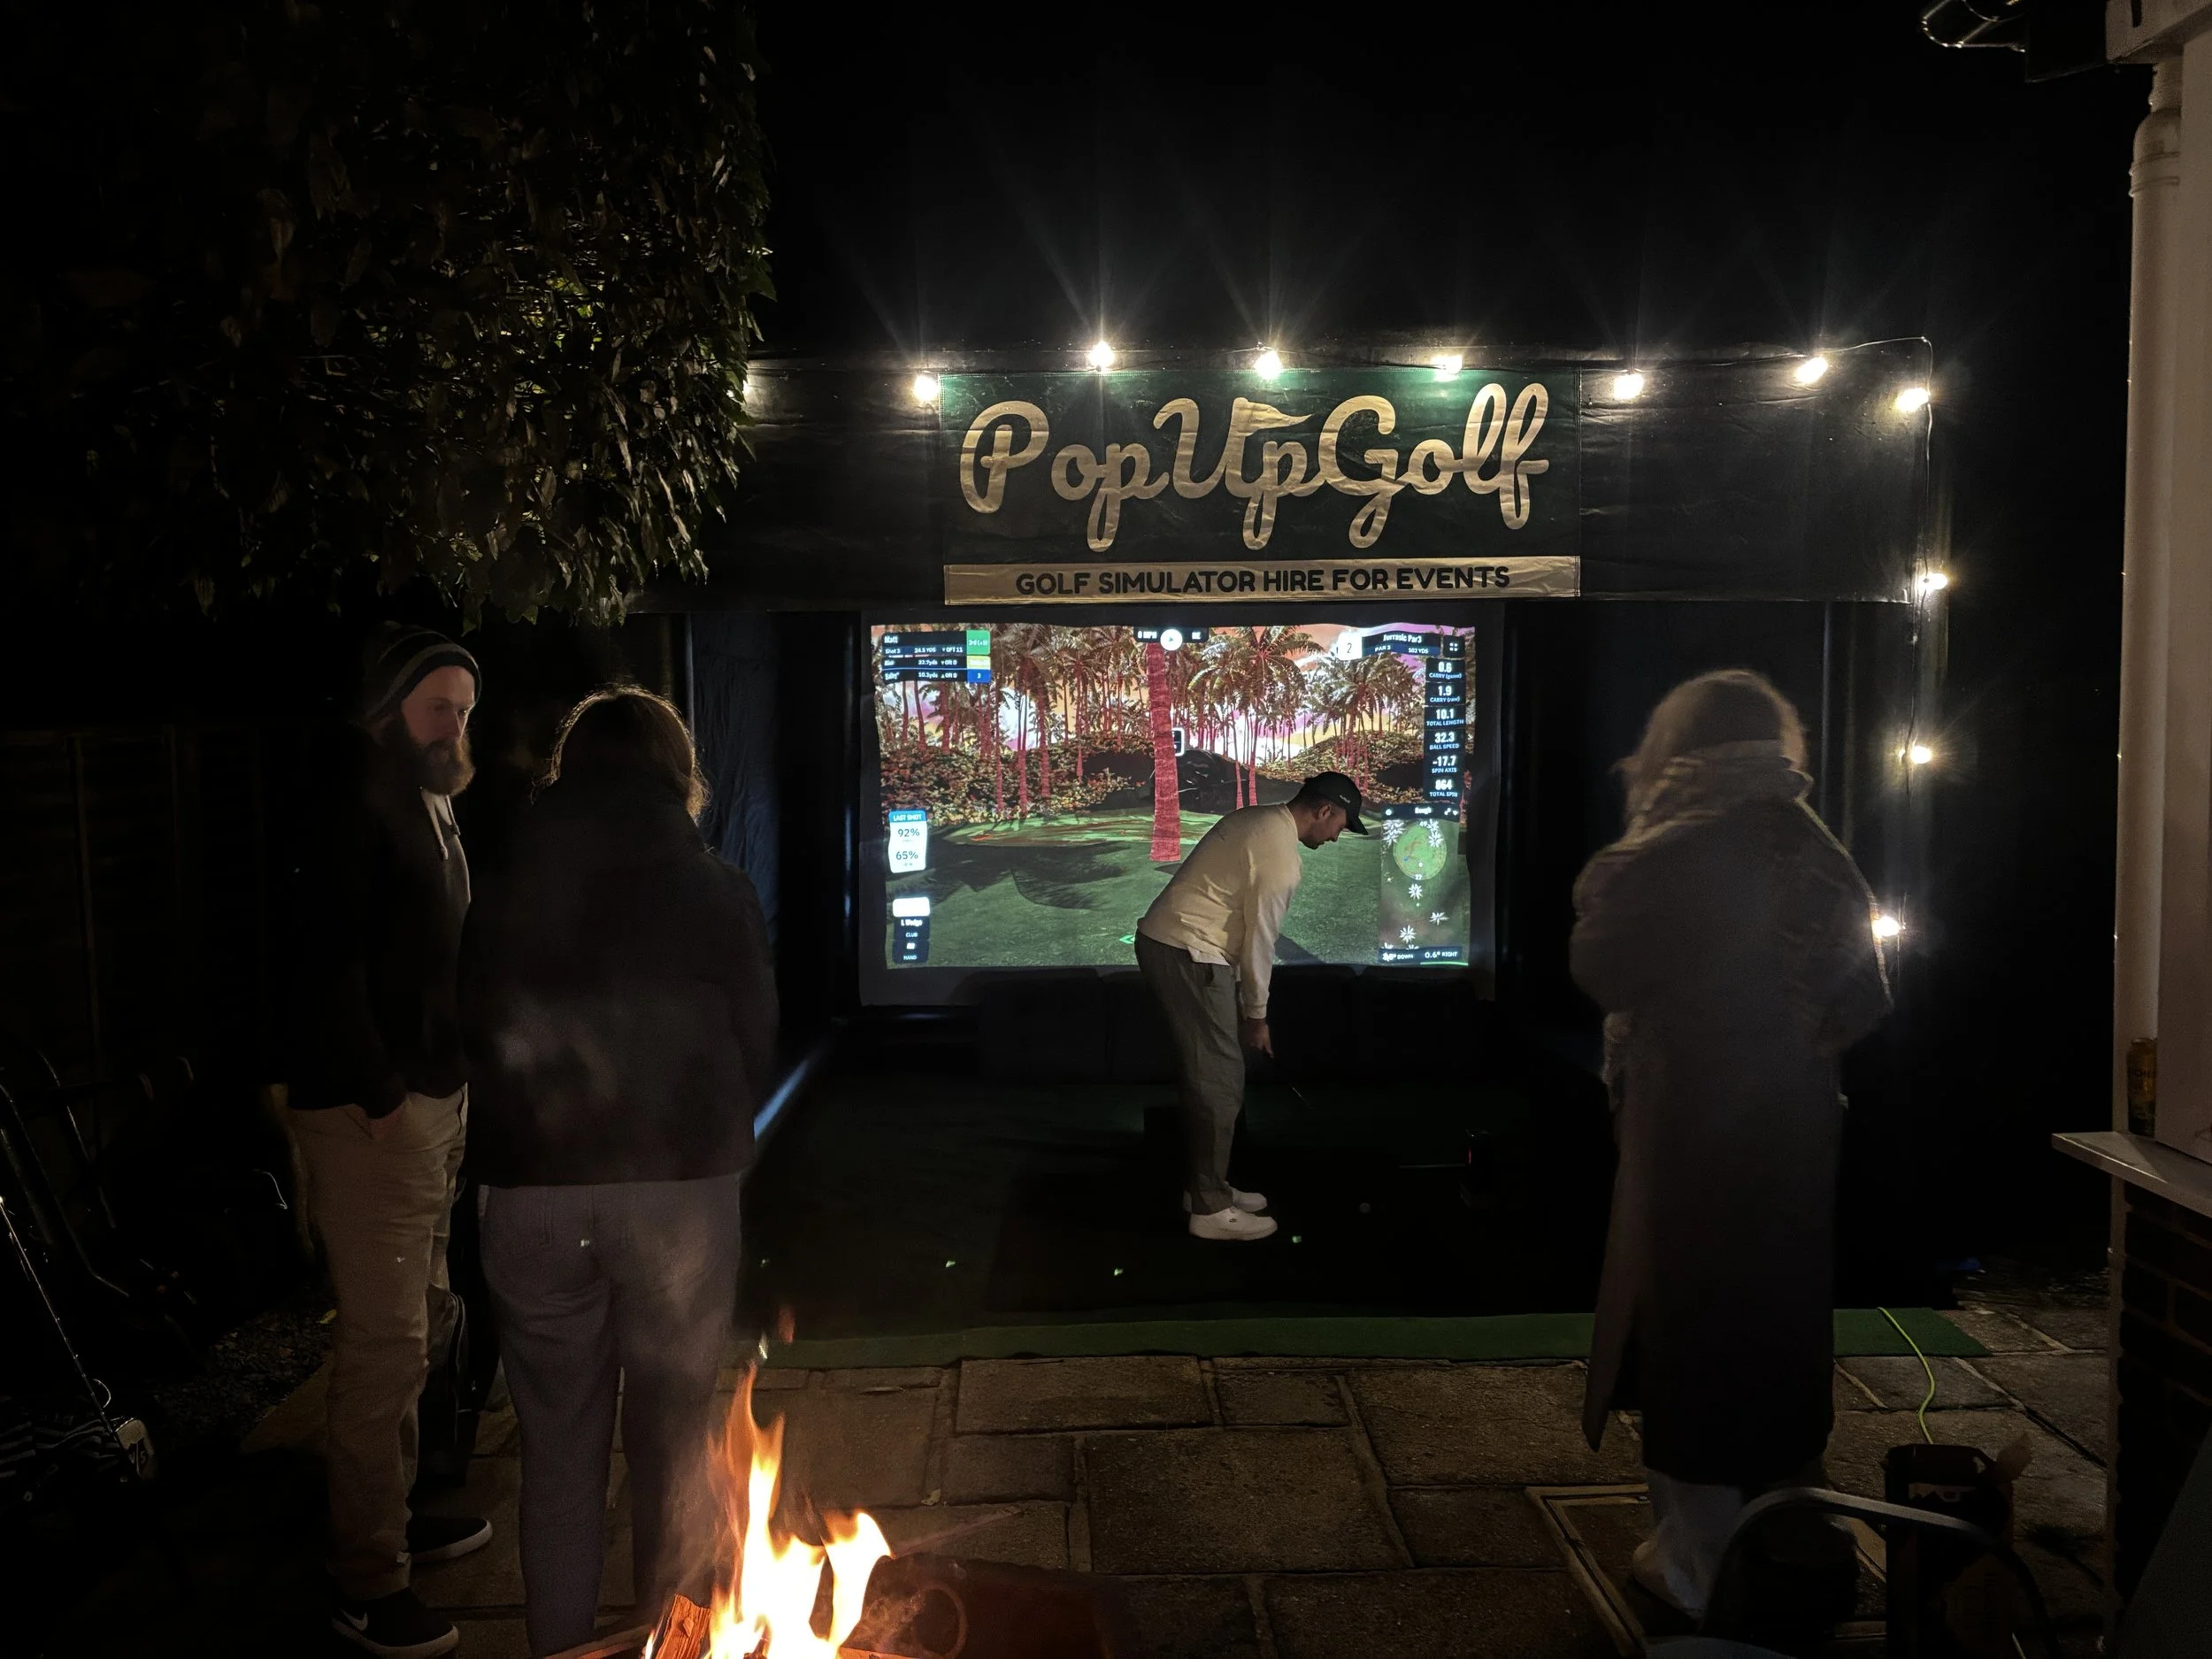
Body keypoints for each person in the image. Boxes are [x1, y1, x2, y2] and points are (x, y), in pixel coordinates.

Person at [459, 687, 778, 1655]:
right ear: (679, 774)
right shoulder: (715, 888)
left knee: (557, 1452)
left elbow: (468, 1028)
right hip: (678, 1196)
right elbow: (757, 1040)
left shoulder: (501, 885)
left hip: (530, 1195)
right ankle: (667, 1644)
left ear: (571, 771)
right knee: (676, 1448)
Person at [1570, 670, 1892, 1620]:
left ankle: (1701, 1571)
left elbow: (1600, 963)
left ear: (1677, 747)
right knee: (1771, 1328)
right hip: (1794, 1120)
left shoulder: (1677, 843)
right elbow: (1864, 992)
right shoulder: (1809, 836)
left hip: (1692, 1124)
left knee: (1692, 1330)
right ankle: (1792, 1542)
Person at [290, 624, 494, 1659]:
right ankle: (366, 1580)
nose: (452, 725)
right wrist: (378, 1091)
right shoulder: (354, 800)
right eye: (436, 707)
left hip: (431, 1103)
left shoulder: (431, 796)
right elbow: (319, 959)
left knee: (426, 1316)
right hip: (378, 1115)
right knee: (385, 1343)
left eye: (463, 710)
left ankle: (396, 1521)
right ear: (391, 709)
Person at [1134, 772, 1365, 1241]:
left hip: (1180, 946)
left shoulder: (1260, 820)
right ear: (1324, 810)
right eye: (1340, 825)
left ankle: (1207, 1187)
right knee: (1219, 1080)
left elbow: (1241, 929)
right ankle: (1209, 1209)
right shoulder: (1280, 857)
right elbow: (1260, 942)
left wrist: (1245, 1006)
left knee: (1212, 1074)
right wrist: (1257, 1016)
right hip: (1189, 951)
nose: (1336, 836)